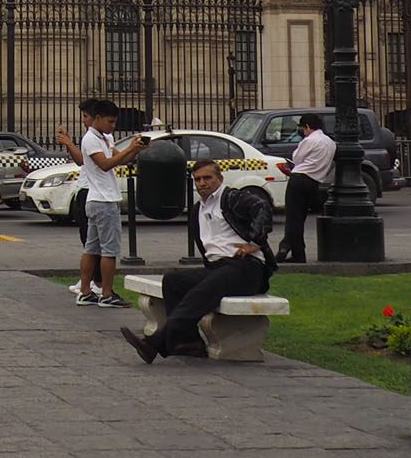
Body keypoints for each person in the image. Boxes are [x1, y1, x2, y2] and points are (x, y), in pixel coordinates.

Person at [120, 156, 276, 364]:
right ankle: (188, 342)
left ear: (220, 178)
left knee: (203, 291)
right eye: (198, 179)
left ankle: (154, 344)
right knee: (174, 282)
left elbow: (262, 207)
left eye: (207, 178)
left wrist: (255, 242)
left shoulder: (231, 198)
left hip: (246, 268)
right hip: (218, 268)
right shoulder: (198, 209)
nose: (202, 183)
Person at [61, 98, 138, 308]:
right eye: (110, 121)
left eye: (115, 122)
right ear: (98, 118)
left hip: (97, 199)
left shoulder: (104, 138)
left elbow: (120, 159)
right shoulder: (91, 139)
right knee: (109, 251)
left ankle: (85, 292)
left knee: (91, 248)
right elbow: (105, 164)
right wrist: (131, 148)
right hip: (103, 200)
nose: (113, 126)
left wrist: (135, 149)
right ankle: (106, 294)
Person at [277, 112, 333, 265]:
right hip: (314, 182)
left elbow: (296, 158)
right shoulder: (330, 142)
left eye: (303, 129)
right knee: (300, 217)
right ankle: (297, 253)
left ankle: (288, 249)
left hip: (299, 179)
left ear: (307, 126)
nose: (303, 132)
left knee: (293, 218)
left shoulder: (310, 140)